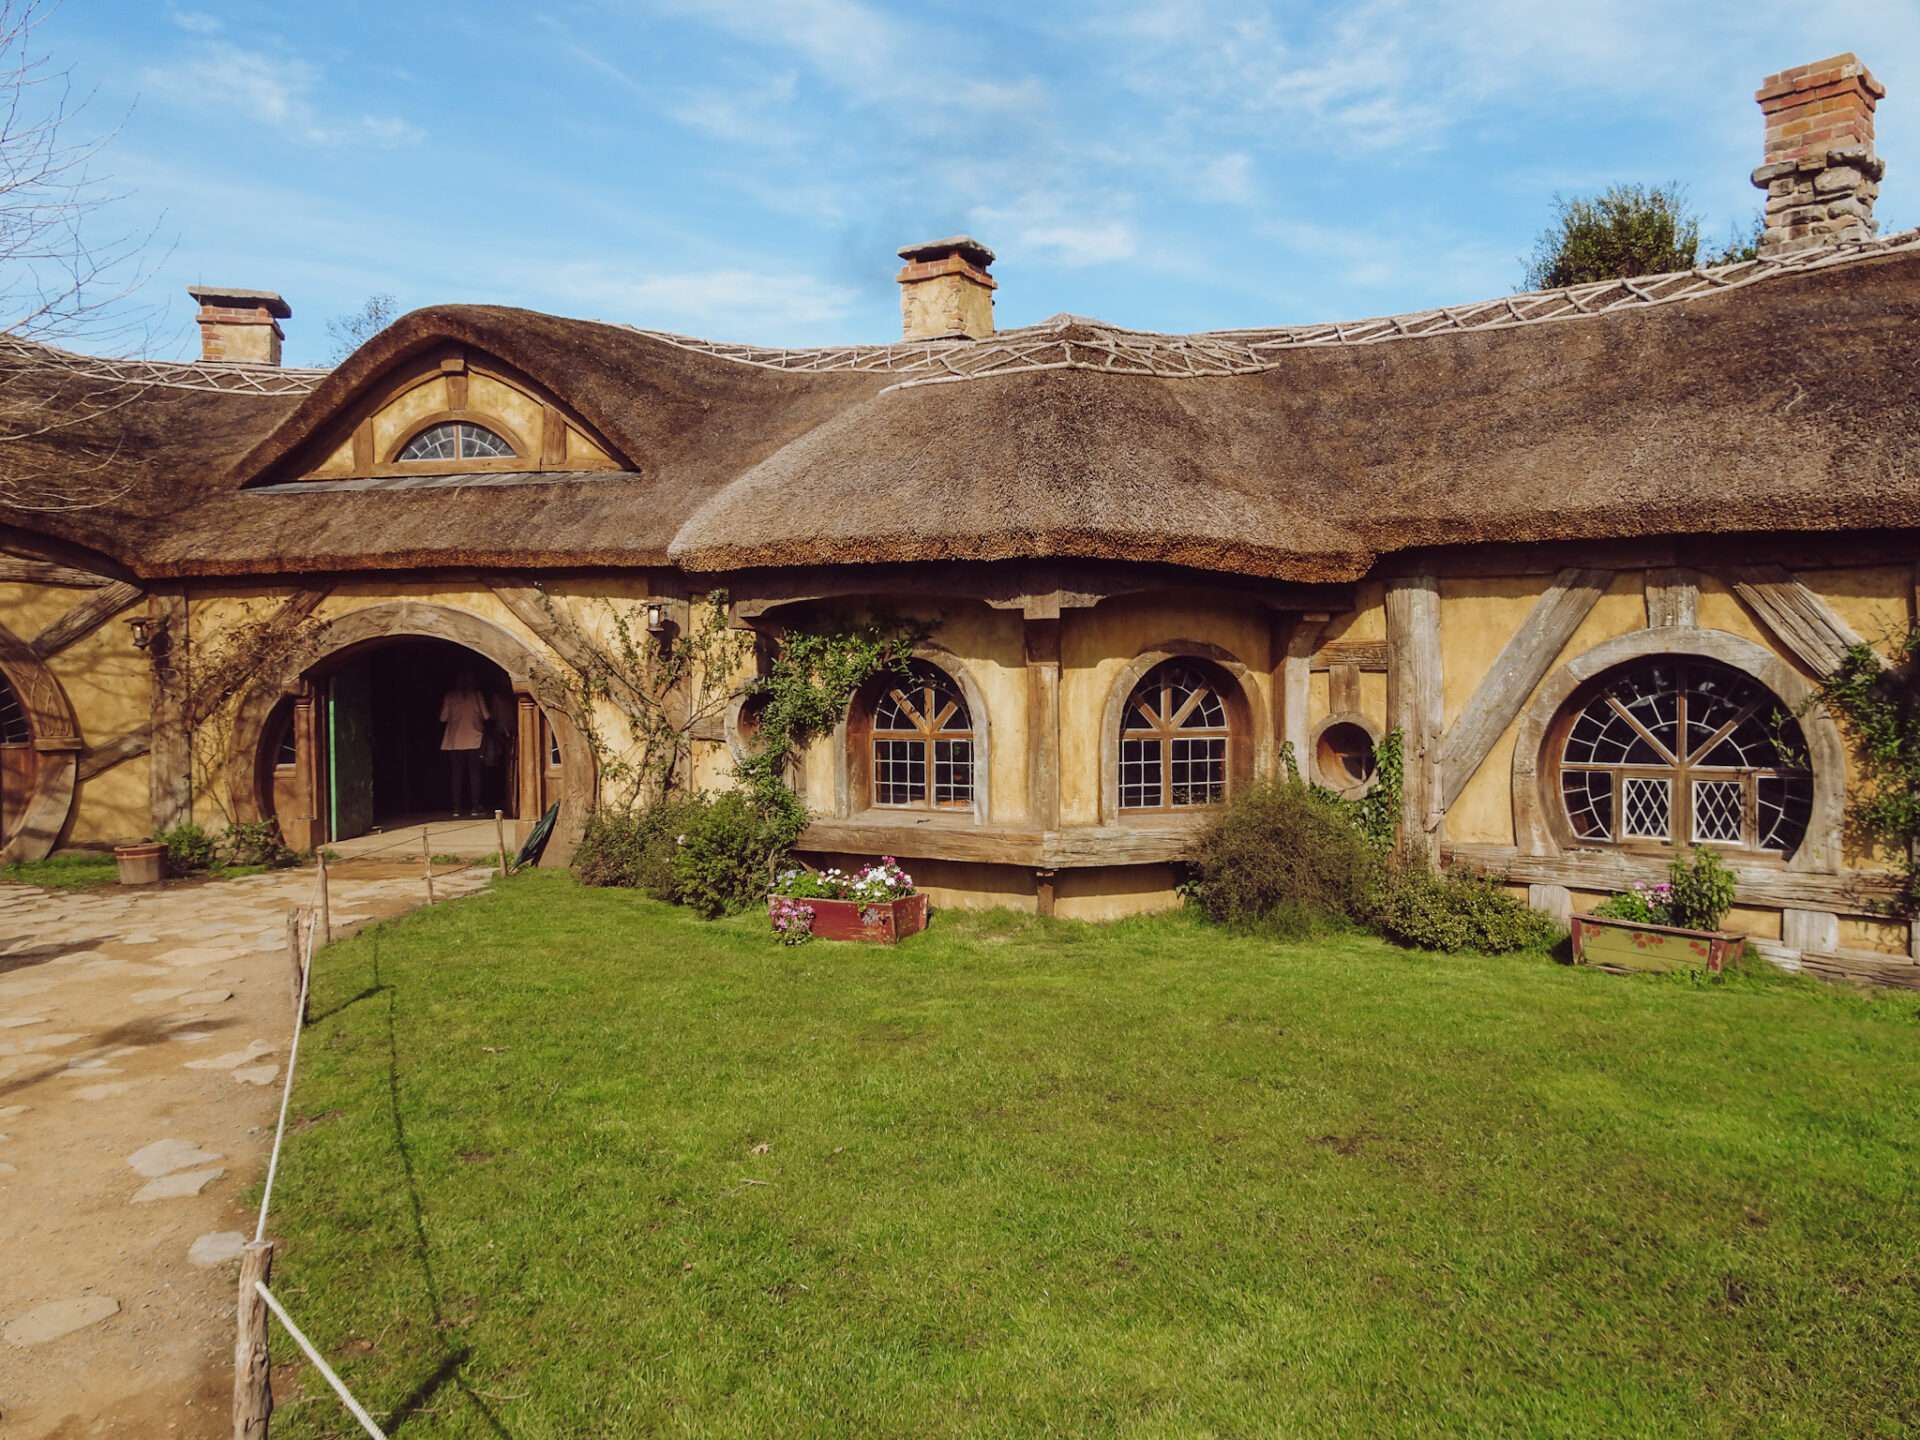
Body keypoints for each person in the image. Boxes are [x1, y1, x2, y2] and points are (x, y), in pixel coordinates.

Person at [439, 668, 490, 817]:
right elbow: (486, 716)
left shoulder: (450, 696)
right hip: (474, 739)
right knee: (475, 774)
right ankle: (475, 807)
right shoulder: (477, 695)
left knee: (456, 774)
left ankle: (456, 808)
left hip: (454, 741)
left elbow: (443, 718)